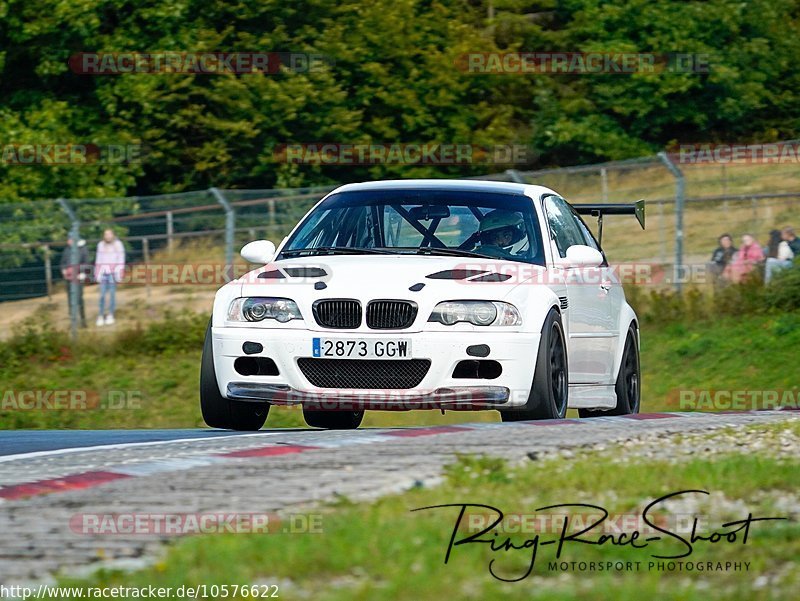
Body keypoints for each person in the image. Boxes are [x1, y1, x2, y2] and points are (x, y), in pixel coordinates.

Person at [94, 229, 126, 326]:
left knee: (112, 294)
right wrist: (97, 273)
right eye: (105, 234)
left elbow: (121, 259)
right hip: (103, 272)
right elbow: (98, 259)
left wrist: (119, 273)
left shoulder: (118, 245)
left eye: (109, 234)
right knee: (102, 295)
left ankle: (110, 314)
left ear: (113, 235)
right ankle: (100, 315)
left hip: (113, 272)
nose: (107, 236)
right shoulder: (100, 245)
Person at [59, 237, 89, 328]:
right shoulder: (67, 250)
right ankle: (73, 322)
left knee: (79, 299)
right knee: (70, 300)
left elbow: (86, 263)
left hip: (78, 277)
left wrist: (83, 273)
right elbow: (62, 263)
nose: (68, 241)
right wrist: (63, 270)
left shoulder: (82, 249)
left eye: (70, 239)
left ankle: (83, 320)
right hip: (69, 279)